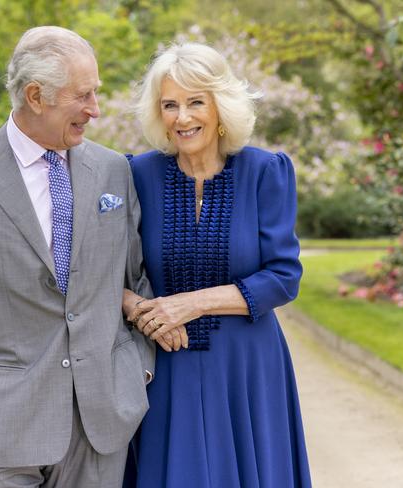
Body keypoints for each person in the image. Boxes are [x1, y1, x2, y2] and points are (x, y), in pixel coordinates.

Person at [0, 26, 158, 488]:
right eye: (83, 96)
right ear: (36, 96)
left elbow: (135, 276)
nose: (95, 109)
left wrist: (136, 368)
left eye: (96, 93)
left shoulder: (113, 171)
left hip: (100, 421)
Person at [122, 43, 312, 488]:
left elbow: (284, 278)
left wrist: (188, 304)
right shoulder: (135, 175)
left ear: (220, 107)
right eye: (169, 105)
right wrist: (140, 309)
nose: (182, 117)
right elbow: (102, 269)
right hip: (167, 364)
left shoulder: (267, 171)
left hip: (249, 368)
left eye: (195, 102)